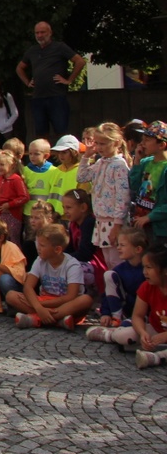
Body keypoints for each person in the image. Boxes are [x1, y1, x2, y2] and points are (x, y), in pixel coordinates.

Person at [7, 224, 93, 329]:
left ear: (57, 249)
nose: (38, 248)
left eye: (42, 245)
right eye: (38, 244)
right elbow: (28, 287)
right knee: (11, 295)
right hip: (44, 300)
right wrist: (39, 307)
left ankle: (36, 319)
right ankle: (58, 320)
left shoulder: (72, 265)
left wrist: (40, 305)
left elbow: (71, 296)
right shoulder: (40, 260)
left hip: (65, 304)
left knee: (86, 300)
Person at [94, 244, 167, 369]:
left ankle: (157, 357)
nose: (145, 272)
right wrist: (143, 333)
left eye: (149, 267)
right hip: (156, 329)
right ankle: (109, 335)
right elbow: (137, 316)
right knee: (123, 336)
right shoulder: (147, 286)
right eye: (144, 267)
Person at [16, 21, 85, 140]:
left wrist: (69, 80)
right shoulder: (32, 50)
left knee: (61, 131)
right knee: (41, 133)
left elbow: (80, 61)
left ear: (50, 32)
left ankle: (62, 152)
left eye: (42, 32)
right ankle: (43, 152)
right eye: (37, 33)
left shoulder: (59, 47)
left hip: (56, 96)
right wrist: (27, 82)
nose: (40, 35)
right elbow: (19, 68)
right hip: (38, 96)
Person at [77, 122, 130, 268]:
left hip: (114, 221)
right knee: (109, 262)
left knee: (118, 261)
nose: (99, 147)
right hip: (101, 220)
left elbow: (123, 196)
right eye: (97, 143)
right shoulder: (100, 162)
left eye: (103, 143)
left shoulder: (119, 165)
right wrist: (86, 156)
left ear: (116, 143)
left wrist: (117, 224)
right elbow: (81, 177)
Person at [86, 227, 147, 340]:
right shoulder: (120, 269)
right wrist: (106, 313)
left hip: (143, 314)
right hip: (126, 310)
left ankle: (109, 334)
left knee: (127, 328)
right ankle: (116, 319)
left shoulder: (146, 270)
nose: (118, 248)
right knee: (109, 274)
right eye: (118, 244)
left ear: (138, 249)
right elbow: (107, 293)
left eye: (122, 245)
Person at [129, 120, 167, 248]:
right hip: (141, 223)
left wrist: (150, 217)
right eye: (142, 139)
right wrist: (137, 162)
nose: (142, 143)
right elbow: (134, 186)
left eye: (147, 140)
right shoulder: (145, 162)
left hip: (159, 228)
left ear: (161, 145)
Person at [0, 150, 29, 247]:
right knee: (1, 238)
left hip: (13, 214)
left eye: (2, 165)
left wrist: (10, 204)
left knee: (13, 239)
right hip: (0, 214)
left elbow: (24, 197)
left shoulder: (16, 179)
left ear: (12, 165)